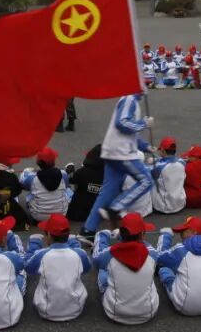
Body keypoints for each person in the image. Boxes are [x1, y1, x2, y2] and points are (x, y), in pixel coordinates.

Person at [82, 92, 154, 236]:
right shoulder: (129, 99)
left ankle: (87, 230)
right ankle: (115, 208)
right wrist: (143, 124)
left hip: (113, 151)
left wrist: (147, 147)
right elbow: (122, 122)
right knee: (147, 181)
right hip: (122, 152)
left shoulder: (131, 101)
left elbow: (130, 134)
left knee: (107, 193)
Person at [92, 212, 159, 325]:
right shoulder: (152, 253)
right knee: (149, 276)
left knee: (103, 270)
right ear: (142, 234)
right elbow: (144, 245)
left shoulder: (110, 253)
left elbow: (96, 259)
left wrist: (103, 235)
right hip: (148, 312)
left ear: (121, 234)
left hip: (115, 313)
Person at [24, 213, 92, 322]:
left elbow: (28, 267)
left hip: (46, 311)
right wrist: (74, 243)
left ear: (49, 235)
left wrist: (34, 243)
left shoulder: (41, 254)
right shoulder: (80, 253)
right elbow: (86, 269)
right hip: (76, 309)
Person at [155, 216, 201, 316]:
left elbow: (159, 257)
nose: (180, 235)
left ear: (193, 232)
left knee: (165, 269)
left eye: (183, 231)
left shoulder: (180, 249)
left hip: (185, 307)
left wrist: (166, 236)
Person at [20, 147, 70, 223]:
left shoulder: (31, 178)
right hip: (61, 215)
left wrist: (27, 171)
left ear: (38, 162)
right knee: (68, 190)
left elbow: (23, 185)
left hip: (38, 216)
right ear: (53, 161)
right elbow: (66, 186)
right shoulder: (63, 175)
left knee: (30, 194)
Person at [66, 146, 104, 222]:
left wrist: (70, 172)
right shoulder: (109, 175)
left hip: (77, 213)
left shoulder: (82, 172)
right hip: (97, 214)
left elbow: (70, 182)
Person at [151, 137, 186, 214]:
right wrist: (157, 159)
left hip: (164, 207)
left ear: (163, 150)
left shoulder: (158, 167)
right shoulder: (182, 162)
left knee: (150, 181)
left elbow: (151, 173)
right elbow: (170, 160)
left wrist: (153, 161)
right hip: (181, 203)